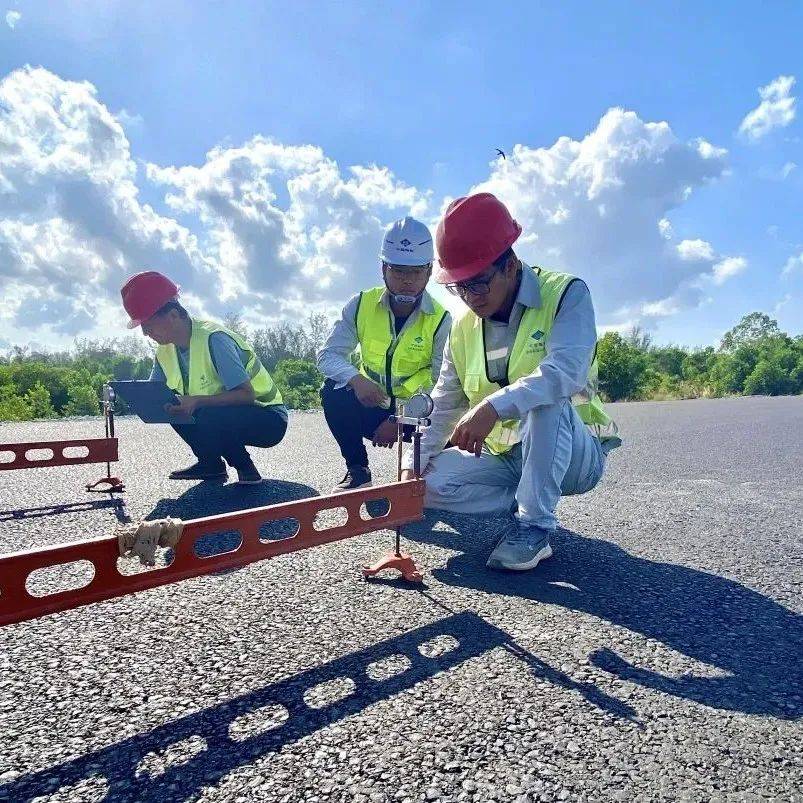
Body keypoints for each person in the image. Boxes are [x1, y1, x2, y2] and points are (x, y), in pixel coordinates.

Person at [400, 193, 620, 571]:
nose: (471, 297)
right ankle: (526, 497)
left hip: (576, 455)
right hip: (507, 458)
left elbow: (564, 372)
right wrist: (410, 467)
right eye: (459, 287)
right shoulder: (463, 328)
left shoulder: (566, 294)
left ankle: (533, 527)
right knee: (427, 486)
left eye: (480, 282)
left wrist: (492, 407)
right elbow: (445, 403)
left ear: (511, 265)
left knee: (545, 396)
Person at [317, 216, 451, 491]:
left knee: (441, 459)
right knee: (333, 390)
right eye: (399, 270)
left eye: (416, 271)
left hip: (416, 414)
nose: (407, 281)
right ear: (383, 269)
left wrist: (399, 420)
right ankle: (357, 469)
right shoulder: (360, 304)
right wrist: (357, 379)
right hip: (371, 402)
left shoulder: (441, 319)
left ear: (429, 272)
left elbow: (441, 381)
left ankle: (420, 471)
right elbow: (327, 356)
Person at [120, 270, 288, 485]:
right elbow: (156, 393)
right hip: (224, 415)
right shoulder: (164, 351)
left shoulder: (215, 339)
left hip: (268, 418)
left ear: (173, 315)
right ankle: (211, 465)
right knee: (173, 407)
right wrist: (140, 398)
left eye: (148, 324)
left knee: (206, 411)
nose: (145, 333)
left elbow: (246, 395)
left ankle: (246, 469)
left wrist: (197, 401)